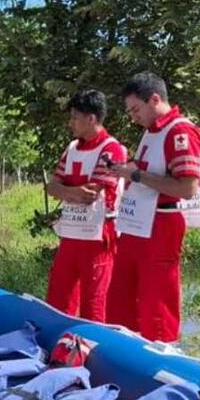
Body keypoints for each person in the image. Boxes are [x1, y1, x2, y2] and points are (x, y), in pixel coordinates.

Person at [106, 72, 200, 342]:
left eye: (136, 109)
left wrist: (136, 176)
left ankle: (160, 364)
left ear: (155, 99)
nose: (133, 117)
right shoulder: (151, 132)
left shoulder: (179, 131)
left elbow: (187, 186)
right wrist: (123, 169)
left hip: (160, 225)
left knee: (156, 306)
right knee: (121, 300)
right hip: (136, 224)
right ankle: (123, 354)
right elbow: (145, 169)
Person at [44, 90, 128, 321]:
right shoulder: (71, 149)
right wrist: (70, 191)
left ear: (91, 119)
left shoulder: (112, 149)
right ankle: (58, 346)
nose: (70, 123)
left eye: (74, 118)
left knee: (95, 302)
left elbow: (91, 194)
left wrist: (65, 190)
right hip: (70, 234)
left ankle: (92, 348)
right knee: (58, 298)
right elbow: (52, 187)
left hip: (98, 237)